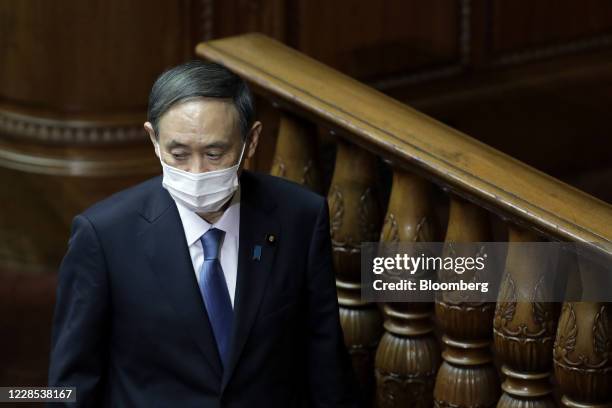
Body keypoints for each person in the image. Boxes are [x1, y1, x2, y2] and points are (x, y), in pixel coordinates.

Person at [47, 61, 360, 407]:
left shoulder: (300, 217)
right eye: (178, 154)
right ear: (154, 139)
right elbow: (71, 384)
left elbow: (324, 360)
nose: (196, 172)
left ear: (251, 141)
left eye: (214, 153)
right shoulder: (103, 236)